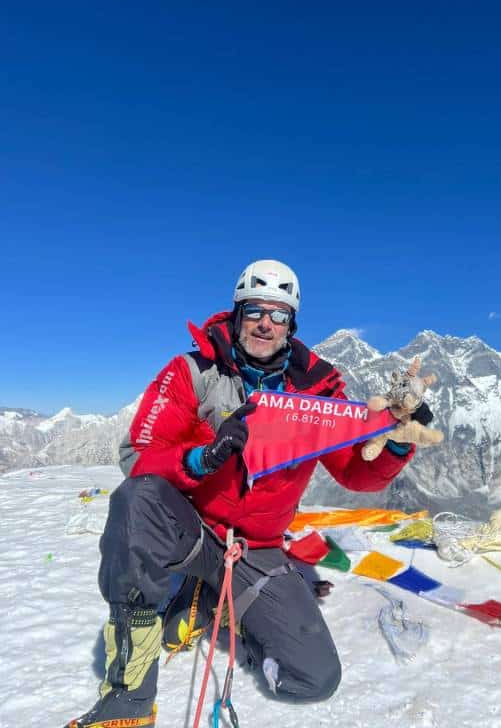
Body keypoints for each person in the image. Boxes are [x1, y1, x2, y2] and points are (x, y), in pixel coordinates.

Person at [66, 259, 439, 728]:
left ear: (292, 324)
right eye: (256, 310)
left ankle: (213, 604)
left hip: (255, 550)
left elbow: (354, 473)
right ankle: (130, 695)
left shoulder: (319, 391)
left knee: (315, 678)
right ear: (237, 313)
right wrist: (201, 457)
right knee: (135, 499)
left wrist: (396, 442)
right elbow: (138, 454)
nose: (266, 323)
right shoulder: (193, 371)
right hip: (193, 529)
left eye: (279, 314)